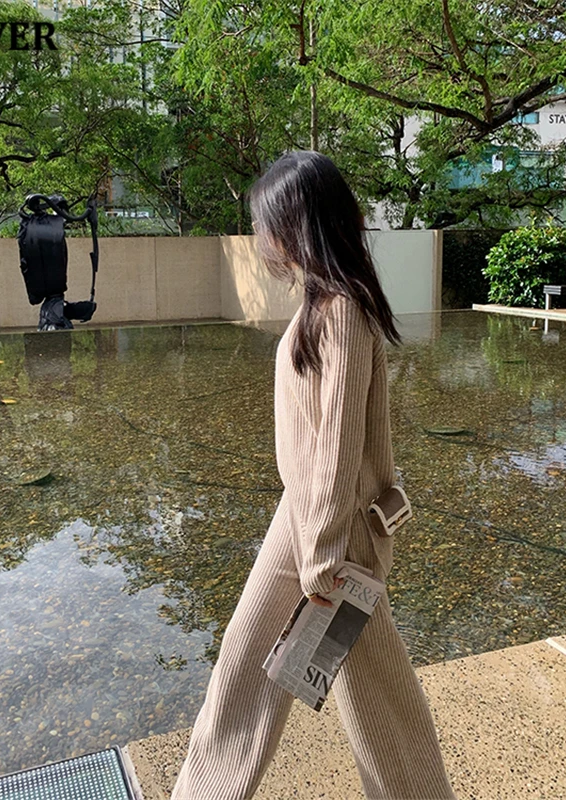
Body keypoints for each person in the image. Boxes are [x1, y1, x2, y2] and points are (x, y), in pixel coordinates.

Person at [170, 151, 456, 800]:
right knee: (247, 661)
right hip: (302, 520)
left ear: (296, 224)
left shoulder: (343, 311)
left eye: (264, 221)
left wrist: (323, 556)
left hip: (336, 534)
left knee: (376, 701)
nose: (258, 234)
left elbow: (337, 444)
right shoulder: (320, 306)